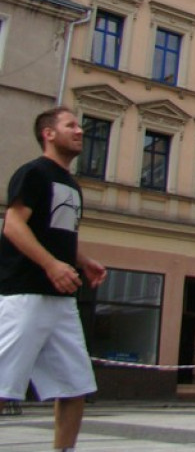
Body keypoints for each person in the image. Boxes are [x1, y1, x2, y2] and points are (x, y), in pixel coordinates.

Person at [0, 107, 107, 452]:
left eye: (79, 126)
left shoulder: (72, 185)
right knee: (3, 384)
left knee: (74, 386)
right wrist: (50, 265)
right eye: (70, 125)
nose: (79, 131)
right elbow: (14, 226)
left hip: (62, 301)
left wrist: (81, 260)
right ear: (48, 133)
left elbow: (52, 232)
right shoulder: (34, 173)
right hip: (24, 294)